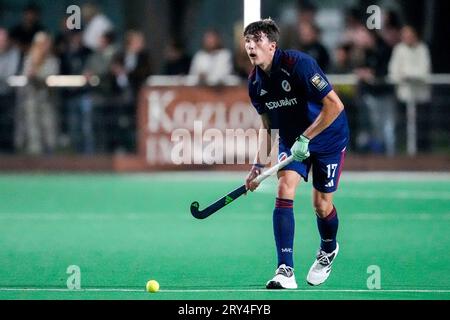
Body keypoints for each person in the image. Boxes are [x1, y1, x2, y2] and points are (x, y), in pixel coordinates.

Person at [243, 19, 349, 289]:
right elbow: (268, 126)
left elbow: (335, 106)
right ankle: (285, 270)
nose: (250, 46)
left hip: (328, 136)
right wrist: (257, 165)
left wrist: (307, 137)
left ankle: (328, 249)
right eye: (247, 41)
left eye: (257, 41)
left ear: (272, 45)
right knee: (284, 188)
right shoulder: (255, 83)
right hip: (293, 141)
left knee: (321, 205)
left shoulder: (298, 65)